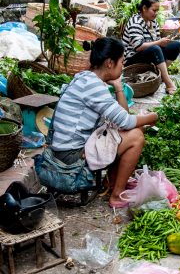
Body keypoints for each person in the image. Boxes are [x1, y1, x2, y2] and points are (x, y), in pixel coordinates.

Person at [51, 37, 158, 209]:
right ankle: (116, 196)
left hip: (67, 148)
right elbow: (127, 122)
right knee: (136, 136)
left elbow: (122, 117)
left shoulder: (85, 78)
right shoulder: (93, 86)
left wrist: (118, 86)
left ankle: (110, 183)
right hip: (70, 155)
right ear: (109, 63)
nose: (122, 67)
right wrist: (153, 117)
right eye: (121, 62)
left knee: (131, 131)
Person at [123, 0, 180, 95]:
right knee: (155, 48)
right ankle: (169, 84)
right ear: (144, 8)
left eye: (157, 11)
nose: (156, 14)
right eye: (154, 10)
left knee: (176, 45)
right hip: (131, 59)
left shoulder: (153, 21)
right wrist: (159, 43)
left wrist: (164, 42)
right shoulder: (135, 22)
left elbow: (156, 40)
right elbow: (138, 47)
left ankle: (161, 74)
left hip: (148, 53)